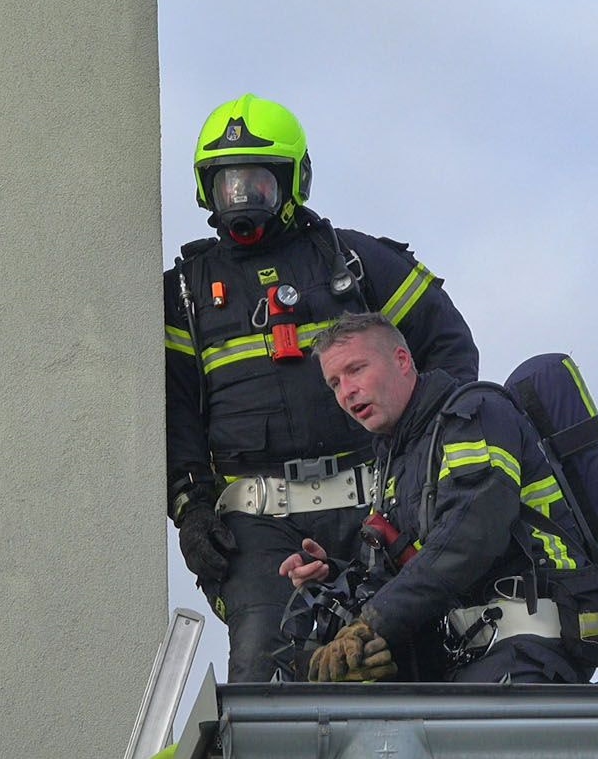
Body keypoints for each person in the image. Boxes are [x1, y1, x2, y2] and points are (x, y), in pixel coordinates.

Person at [164, 94, 479, 683]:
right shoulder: (183, 294)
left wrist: (427, 455)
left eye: (258, 183)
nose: (243, 199)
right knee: (265, 663)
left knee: (402, 656)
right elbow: (175, 413)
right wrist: (191, 508)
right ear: (207, 190)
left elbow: (449, 346)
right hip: (256, 526)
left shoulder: (356, 261)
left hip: (378, 505)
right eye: (229, 184)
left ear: (293, 181)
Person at [280, 312, 598, 684]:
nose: (346, 392)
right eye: (334, 383)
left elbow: (471, 536)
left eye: (356, 369)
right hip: (469, 655)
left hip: (530, 642)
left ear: (401, 360)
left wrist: (374, 621)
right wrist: (334, 574)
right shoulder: (398, 459)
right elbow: (398, 568)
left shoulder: (472, 414)